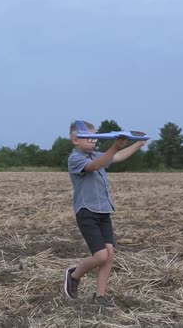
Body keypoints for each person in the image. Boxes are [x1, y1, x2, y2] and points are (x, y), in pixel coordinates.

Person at [63, 120, 147, 307]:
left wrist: (138, 144)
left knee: (109, 254)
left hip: (104, 212)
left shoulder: (96, 155)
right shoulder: (75, 158)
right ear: (76, 140)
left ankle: (100, 296)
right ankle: (74, 275)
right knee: (100, 255)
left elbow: (117, 157)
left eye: (96, 138)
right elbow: (94, 166)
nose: (94, 141)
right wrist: (113, 147)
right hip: (87, 212)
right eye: (90, 138)